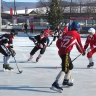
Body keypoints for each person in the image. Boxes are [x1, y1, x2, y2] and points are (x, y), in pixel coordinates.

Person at [50, 21, 85, 92]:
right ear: (77, 28)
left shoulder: (65, 33)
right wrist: (82, 51)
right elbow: (79, 45)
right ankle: (55, 83)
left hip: (61, 52)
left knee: (70, 66)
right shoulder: (76, 34)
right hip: (65, 53)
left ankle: (65, 81)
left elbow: (58, 42)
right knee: (65, 69)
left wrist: (61, 47)